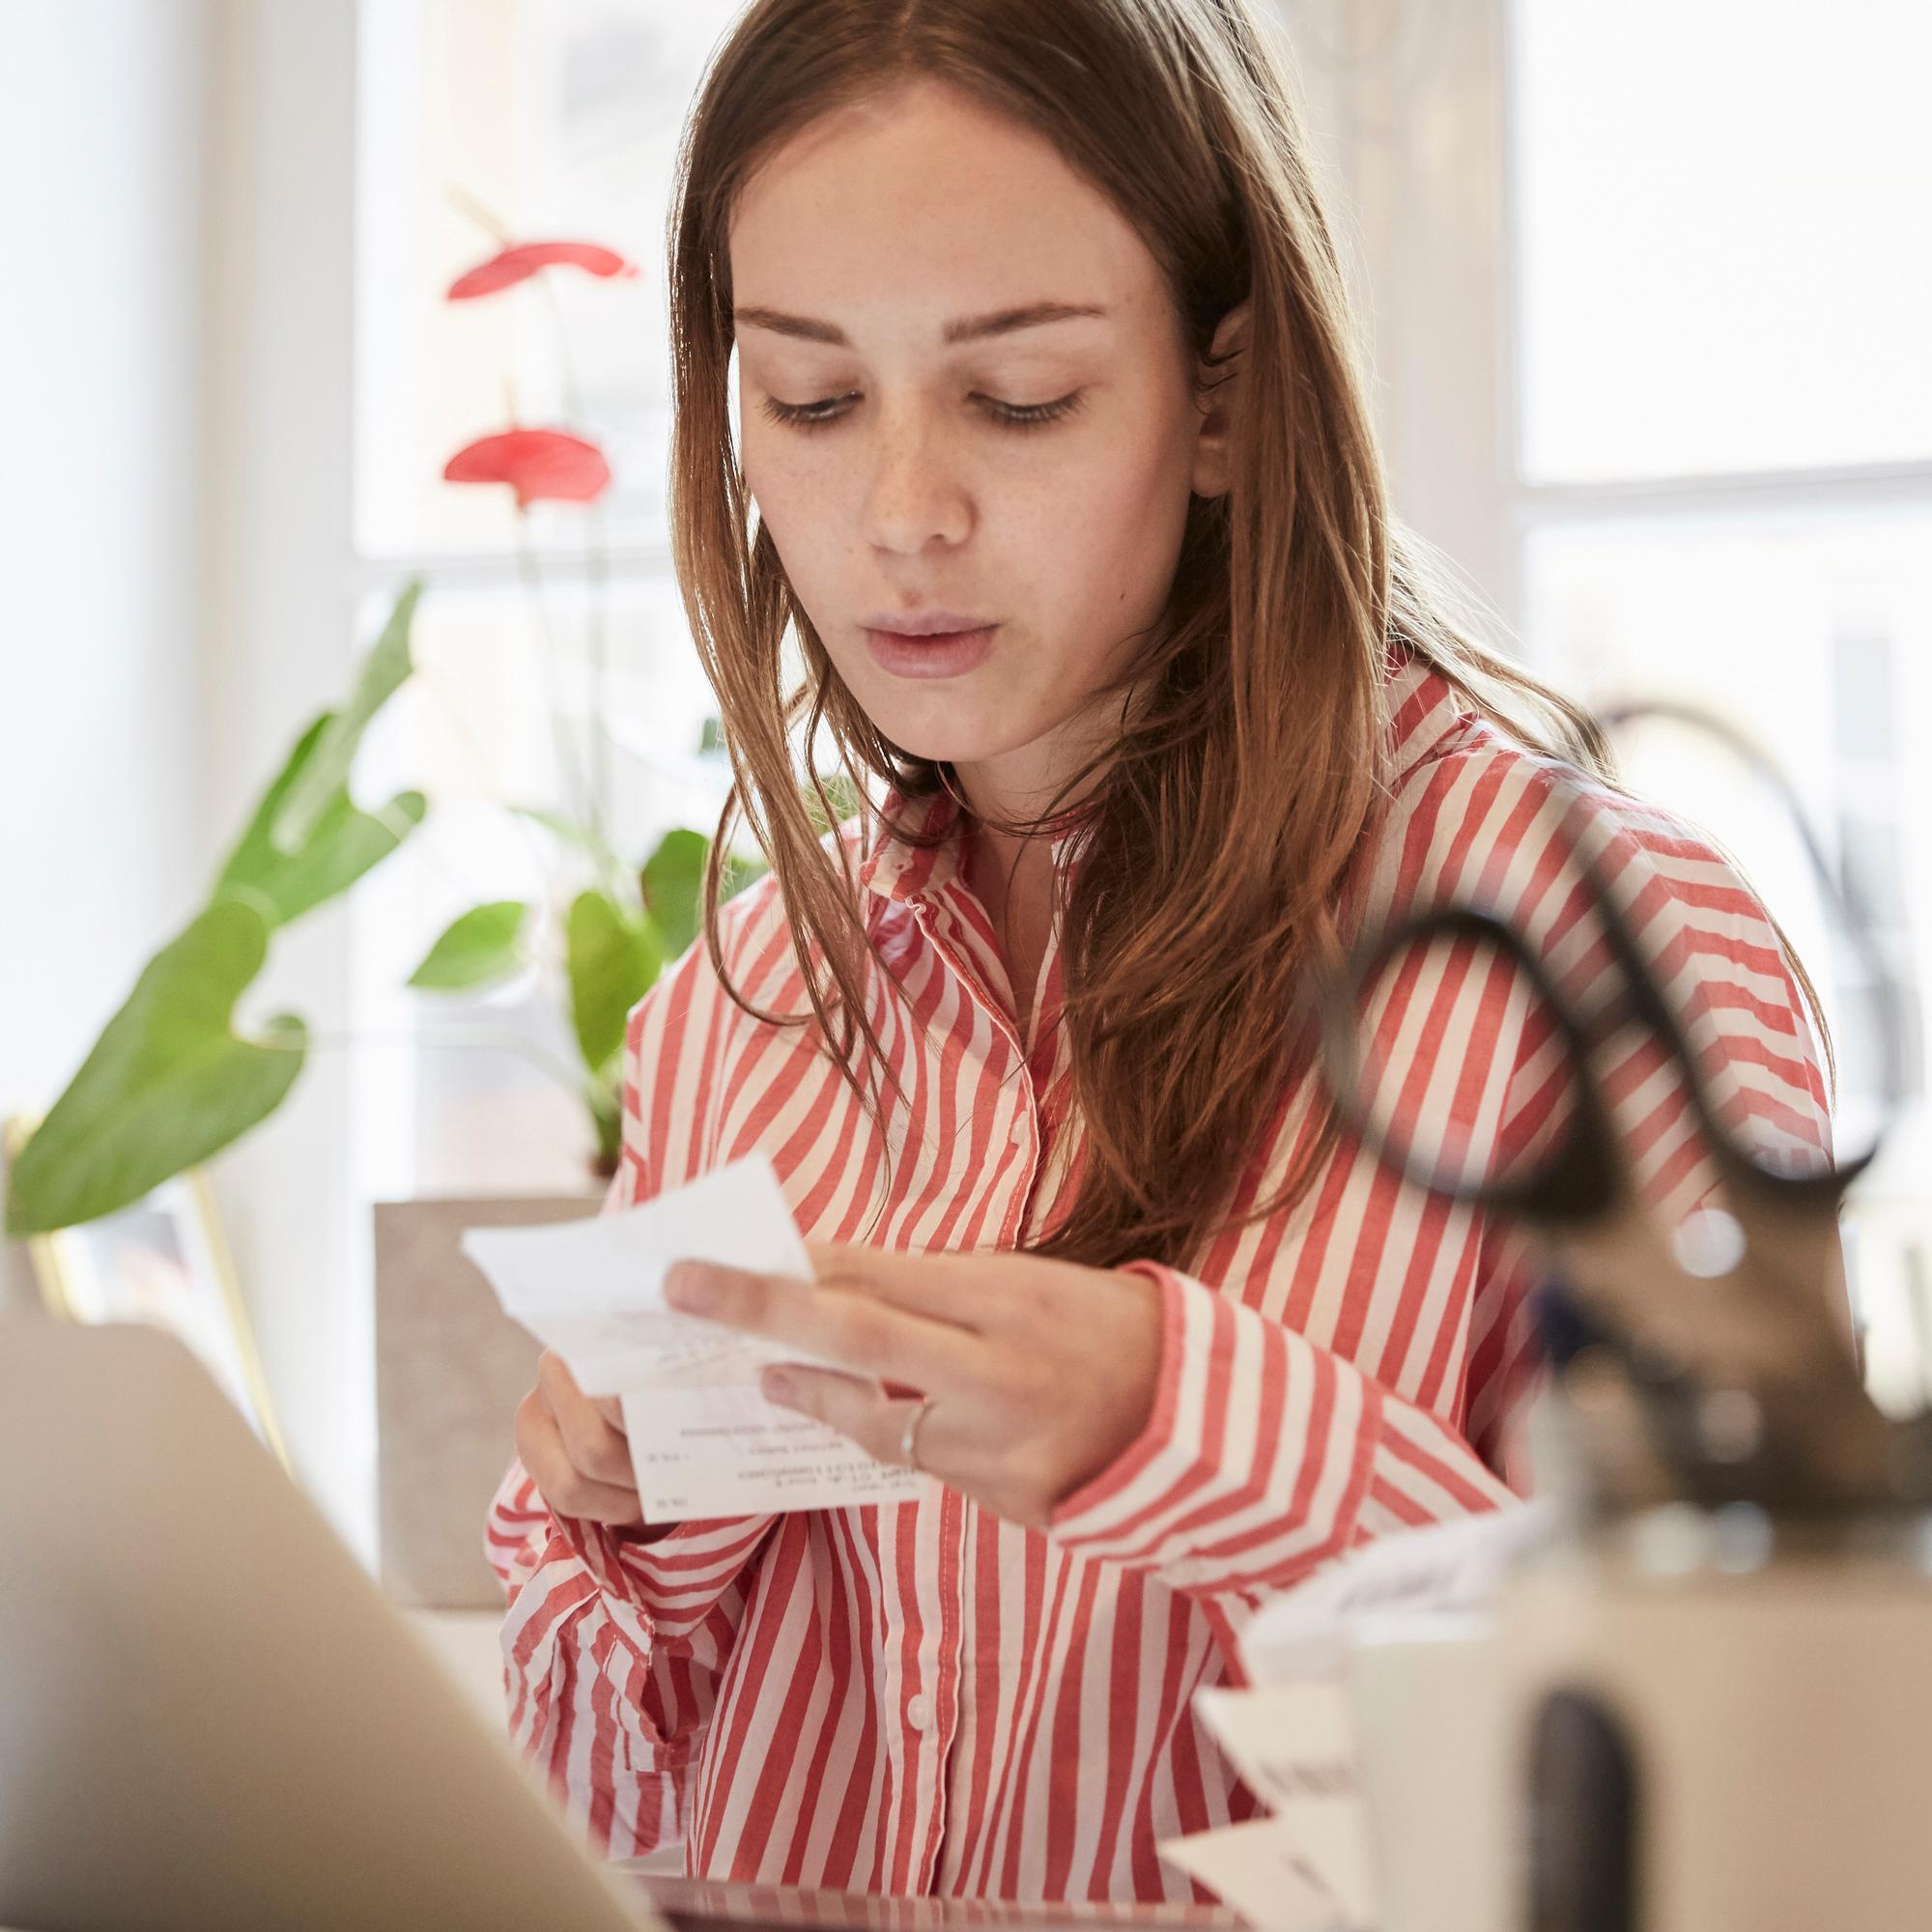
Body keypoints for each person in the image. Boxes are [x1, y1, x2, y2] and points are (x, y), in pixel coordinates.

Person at [485, 0, 1838, 1900]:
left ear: (1223, 397)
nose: (901, 517)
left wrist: (1191, 1424)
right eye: (810, 399)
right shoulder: (734, 1020)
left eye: (1020, 397)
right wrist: (627, 1520)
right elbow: (596, 1843)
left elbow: (1738, 1814)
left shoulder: (1605, 954)